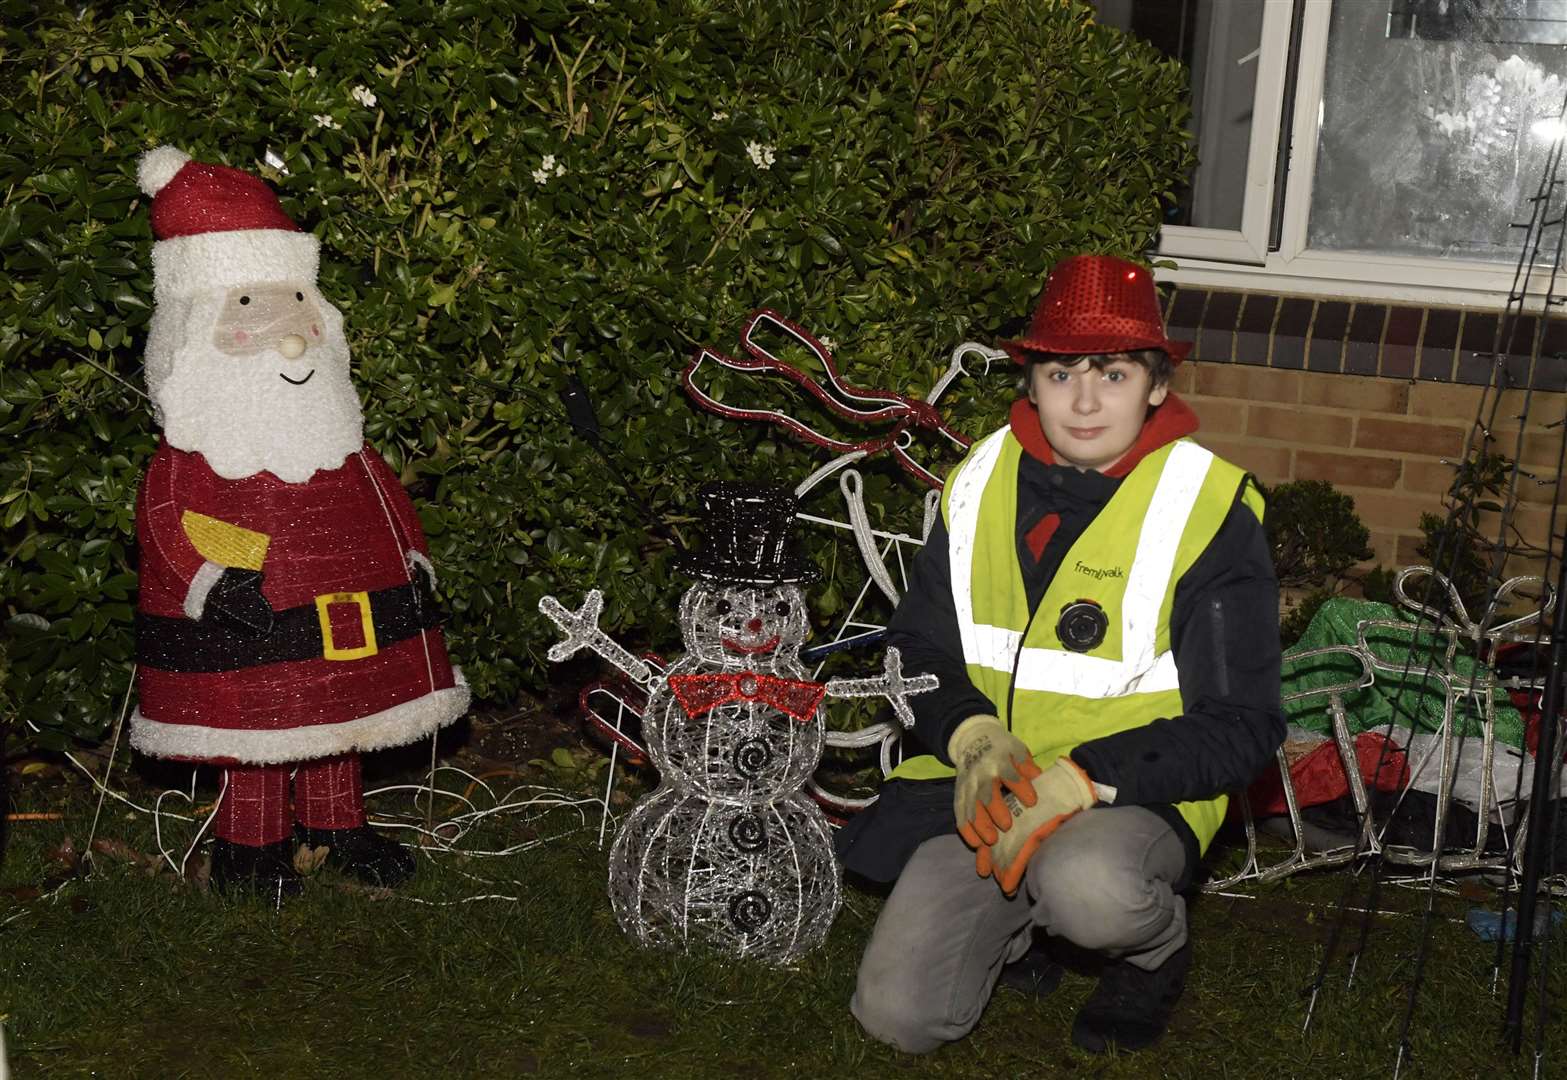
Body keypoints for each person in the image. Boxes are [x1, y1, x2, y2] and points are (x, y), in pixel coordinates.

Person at [838, 253, 1284, 1054]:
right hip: (989, 788)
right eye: (1058, 373)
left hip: (1131, 791)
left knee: (1088, 888)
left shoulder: (1208, 508)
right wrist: (969, 734)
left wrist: (1081, 779)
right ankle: (1023, 928)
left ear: (1155, 386)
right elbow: (917, 644)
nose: (1082, 401)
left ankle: (1150, 952)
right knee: (896, 1020)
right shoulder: (977, 479)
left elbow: (1242, 726)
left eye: (1111, 375)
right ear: (1030, 381)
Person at [130, 146, 469, 896]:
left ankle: (337, 827)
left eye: (295, 308)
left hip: (352, 613)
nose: (288, 334)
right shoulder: (190, 456)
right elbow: (164, 525)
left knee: (340, 713)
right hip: (247, 613)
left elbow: (388, 501)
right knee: (260, 725)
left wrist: (411, 565)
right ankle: (251, 846)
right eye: (248, 309)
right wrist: (209, 584)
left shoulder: (337, 437)